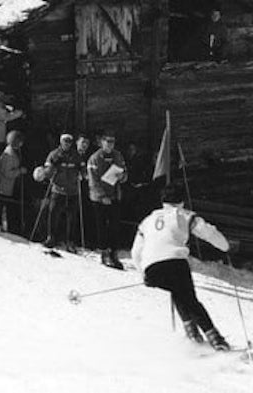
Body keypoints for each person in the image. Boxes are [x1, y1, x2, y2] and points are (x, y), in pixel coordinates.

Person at [131, 182, 232, 351]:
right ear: (182, 201)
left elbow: (135, 251)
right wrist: (226, 247)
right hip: (174, 262)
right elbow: (209, 233)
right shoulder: (185, 215)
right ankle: (215, 339)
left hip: (151, 267)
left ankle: (192, 333)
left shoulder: (148, 220)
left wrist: (143, 274)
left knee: (178, 293)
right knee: (190, 299)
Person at [87, 133, 127, 269]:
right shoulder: (95, 158)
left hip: (114, 195)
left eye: (112, 141)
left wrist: (123, 176)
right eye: (107, 141)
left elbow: (124, 172)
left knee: (115, 225)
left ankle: (114, 252)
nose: (110, 144)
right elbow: (92, 180)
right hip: (99, 198)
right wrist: (102, 196)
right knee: (102, 225)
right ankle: (104, 252)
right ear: (101, 142)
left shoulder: (118, 155)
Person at [43, 133, 82, 249]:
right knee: (53, 215)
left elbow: (82, 170)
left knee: (72, 218)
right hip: (58, 189)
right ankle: (51, 237)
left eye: (69, 142)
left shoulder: (76, 155)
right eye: (65, 141)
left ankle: (70, 241)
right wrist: (53, 165)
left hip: (72, 190)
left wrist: (81, 171)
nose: (67, 144)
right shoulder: (54, 154)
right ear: (61, 142)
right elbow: (47, 173)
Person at [0, 130, 26, 234]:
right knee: (1, 209)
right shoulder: (9, 155)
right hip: (5, 187)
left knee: (5, 208)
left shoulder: (12, 152)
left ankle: (2, 227)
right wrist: (20, 171)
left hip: (8, 187)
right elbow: (7, 173)